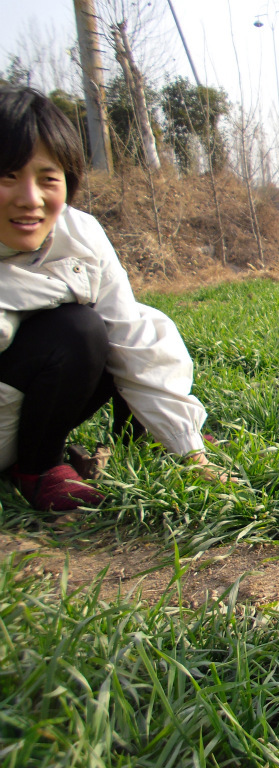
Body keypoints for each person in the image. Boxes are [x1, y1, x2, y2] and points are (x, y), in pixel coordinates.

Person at [0, 85, 220, 513]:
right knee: (74, 329)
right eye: (7, 177)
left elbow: (130, 331)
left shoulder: (77, 234)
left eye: (48, 179)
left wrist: (189, 451)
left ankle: (145, 436)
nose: (31, 200)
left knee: (133, 327)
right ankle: (38, 469)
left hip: (23, 408)